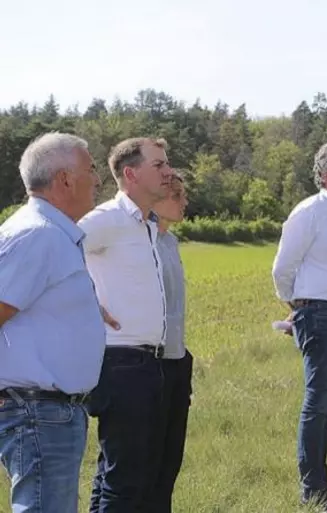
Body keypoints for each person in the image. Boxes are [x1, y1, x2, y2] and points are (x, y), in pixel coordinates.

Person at [0, 132, 107, 512]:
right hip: (36, 411)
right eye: (91, 169)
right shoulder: (38, 235)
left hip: (49, 411)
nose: (97, 179)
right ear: (64, 179)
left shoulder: (52, 234)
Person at [78, 137, 174, 512]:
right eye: (159, 165)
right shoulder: (107, 219)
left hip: (146, 362)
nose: (168, 172)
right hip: (121, 362)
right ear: (131, 173)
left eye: (167, 164)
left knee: (119, 473)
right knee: (126, 478)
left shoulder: (145, 224)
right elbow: (57, 250)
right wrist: (87, 298)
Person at [271, 142, 327, 513]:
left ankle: (322, 482)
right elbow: (282, 268)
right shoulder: (309, 212)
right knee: (319, 401)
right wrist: (298, 306)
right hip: (320, 316)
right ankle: (313, 491)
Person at [149, 172, 193, 511]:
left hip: (178, 357)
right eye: (176, 195)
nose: (184, 201)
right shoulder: (140, 240)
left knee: (169, 457)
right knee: (140, 461)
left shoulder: (170, 242)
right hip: (149, 361)